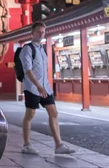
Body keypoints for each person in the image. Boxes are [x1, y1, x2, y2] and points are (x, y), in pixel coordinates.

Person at [19, 21, 75, 155]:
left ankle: (59, 145)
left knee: (54, 113)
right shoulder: (27, 49)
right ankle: (26, 144)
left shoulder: (42, 49)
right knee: (30, 114)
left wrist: (44, 86)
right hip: (33, 87)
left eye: (43, 32)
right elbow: (28, 70)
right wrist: (38, 86)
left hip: (45, 87)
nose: (41, 34)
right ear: (32, 33)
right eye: (38, 31)